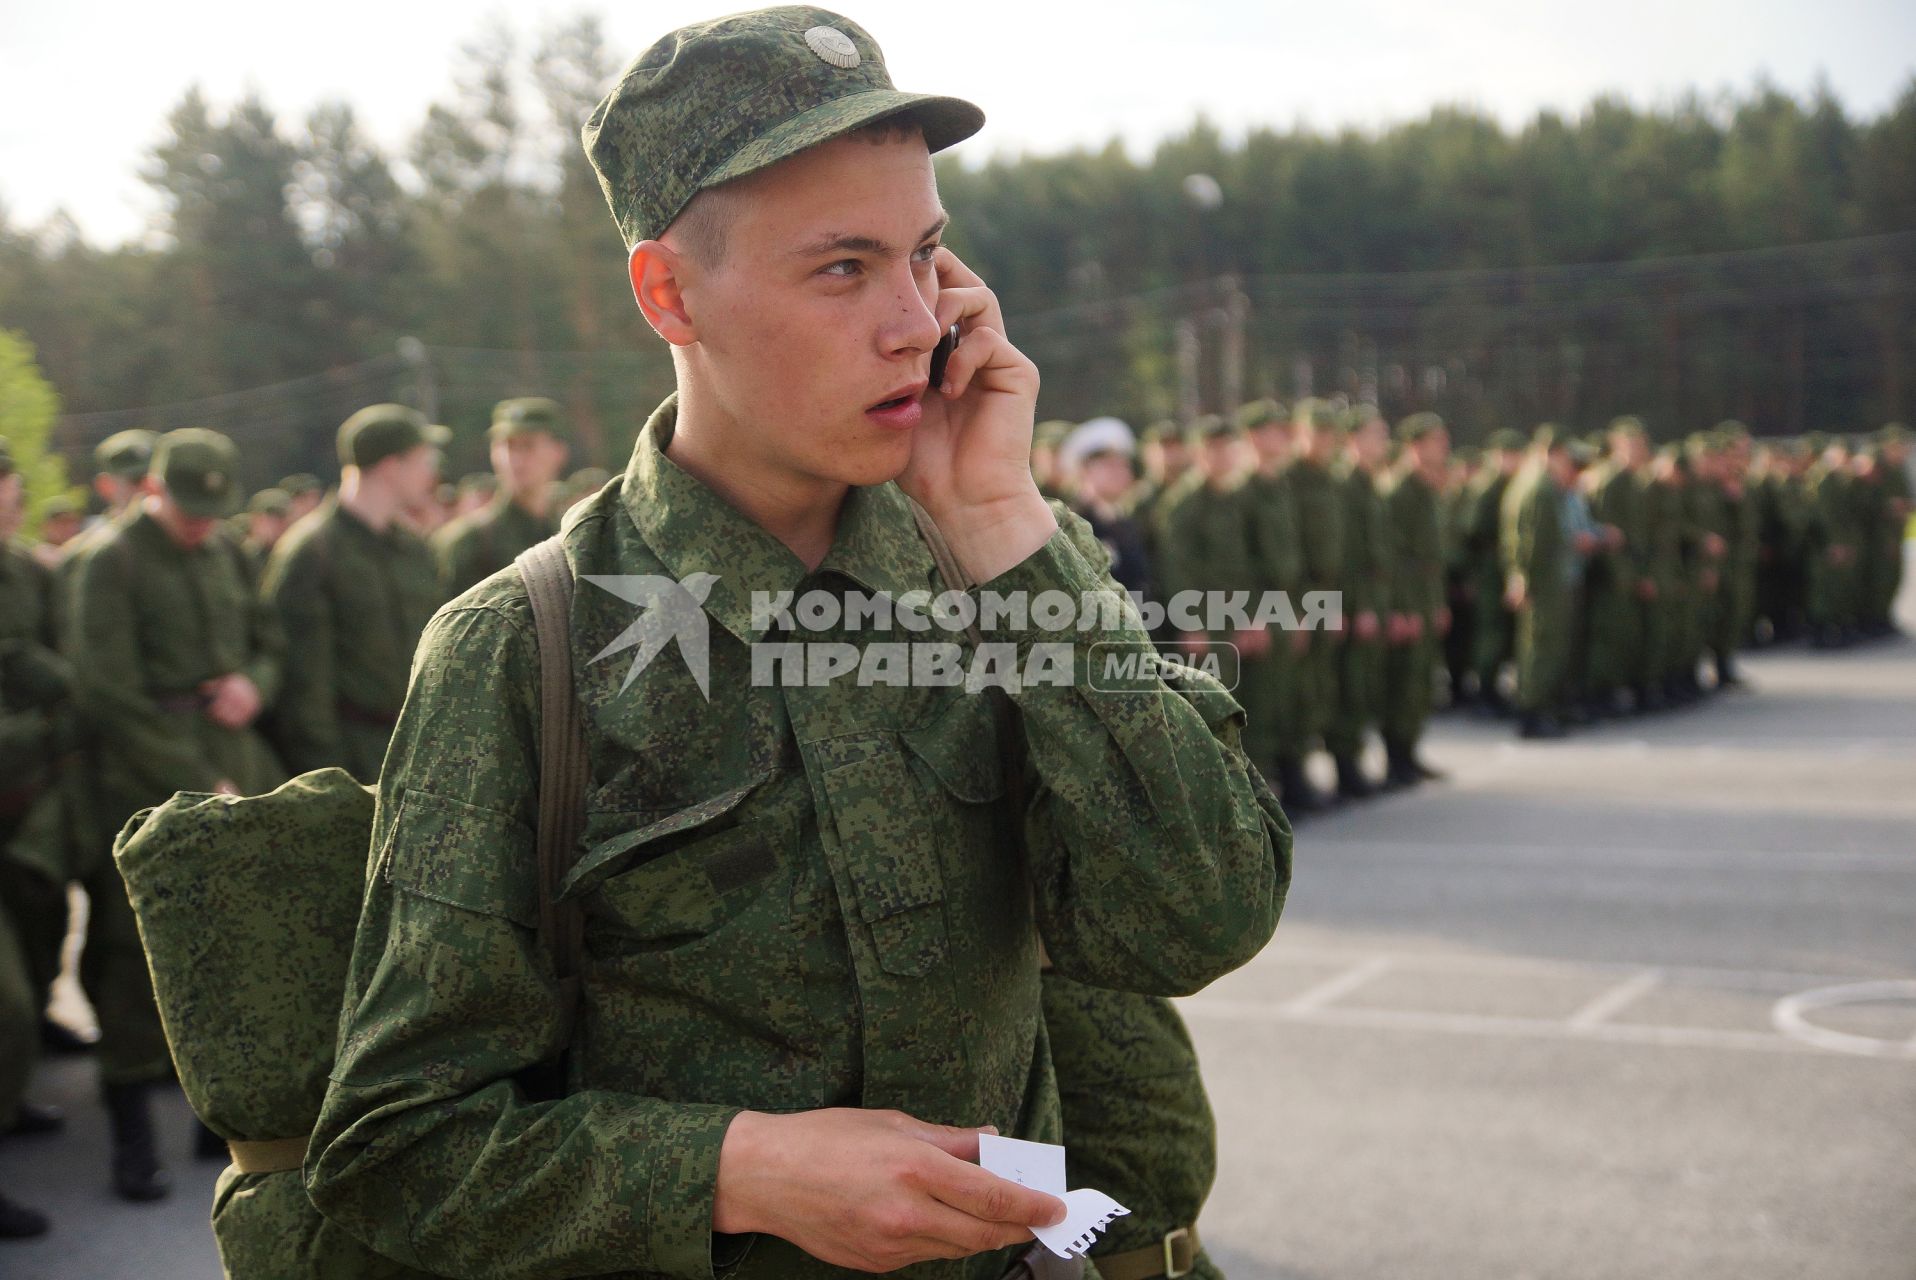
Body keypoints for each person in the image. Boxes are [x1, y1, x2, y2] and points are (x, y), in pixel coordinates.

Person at [307, 11, 1287, 1279]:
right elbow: (394, 1147)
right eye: (840, 269)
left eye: (924, 254)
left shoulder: (1001, 567)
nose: (912, 323)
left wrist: (1003, 523)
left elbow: (1201, 916)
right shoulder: (525, 647)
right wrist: (735, 1168)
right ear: (669, 293)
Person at [66, 427, 287, 1200]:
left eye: (209, 510)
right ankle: (132, 1133)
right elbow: (105, 692)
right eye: (186, 508)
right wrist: (195, 781)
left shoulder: (225, 550)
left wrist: (253, 683)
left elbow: (265, 641)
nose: (198, 523)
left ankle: (218, 1115)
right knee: (137, 952)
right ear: (151, 488)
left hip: (231, 759)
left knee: (237, 943)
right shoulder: (111, 562)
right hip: (146, 777)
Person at [262, 405, 450, 781]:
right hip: (350, 759)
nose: (431, 474)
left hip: (419, 747)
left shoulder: (414, 550)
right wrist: (329, 778)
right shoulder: (311, 551)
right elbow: (302, 687)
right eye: (422, 460)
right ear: (391, 466)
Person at [431, 398, 571, 595]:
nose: (514, 459)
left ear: (558, 452)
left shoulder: (569, 534)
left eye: (528, 445)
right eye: (506, 446)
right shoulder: (469, 543)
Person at [1379, 412, 1449, 785]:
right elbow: (1395, 559)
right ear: (1414, 447)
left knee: (1420, 679)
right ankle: (1396, 758)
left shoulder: (1425, 489)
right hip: (1405, 598)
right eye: (1436, 441)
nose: (1443, 448)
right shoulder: (1399, 491)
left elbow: (1431, 559)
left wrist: (1436, 603)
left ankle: (1410, 752)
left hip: (1423, 595)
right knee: (1402, 680)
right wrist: (1402, 609)